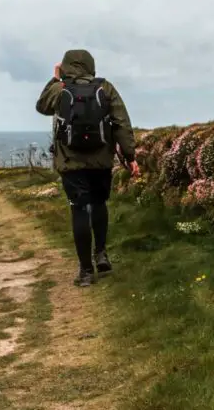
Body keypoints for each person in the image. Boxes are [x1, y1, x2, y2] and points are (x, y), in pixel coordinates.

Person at [35, 49, 140, 287]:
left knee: (79, 209)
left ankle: (85, 272)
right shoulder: (105, 88)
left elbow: (41, 106)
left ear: (65, 66)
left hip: (71, 163)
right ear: (91, 65)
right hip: (101, 160)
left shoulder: (60, 89)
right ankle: (101, 253)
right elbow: (121, 122)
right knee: (99, 204)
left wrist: (55, 79)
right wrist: (130, 155)